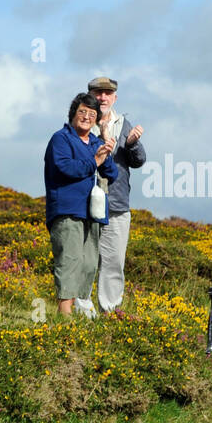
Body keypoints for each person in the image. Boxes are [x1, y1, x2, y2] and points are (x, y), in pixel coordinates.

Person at [44, 92, 117, 317]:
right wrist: (94, 161)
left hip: (92, 212)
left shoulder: (96, 142)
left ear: (96, 119)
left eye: (91, 113)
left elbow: (111, 173)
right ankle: (64, 318)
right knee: (70, 261)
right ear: (73, 114)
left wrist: (106, 148)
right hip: (67, 210)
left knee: (88, 263)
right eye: (82, 111)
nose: (86, 116)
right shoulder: (61, 139)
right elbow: (66, 168)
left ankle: (78, 314)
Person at [85, 77, 146, 314]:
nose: (102, 97)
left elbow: (139, 161)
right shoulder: (81, 121)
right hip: (85, 202)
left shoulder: (124, 124)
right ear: (90, 94)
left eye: (107, 93)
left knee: (113, 263)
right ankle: (82, 310)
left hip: (117, 204)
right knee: (86, 259)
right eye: (98, 92)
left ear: (115, 98)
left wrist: (131, 144)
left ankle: (110, 312)